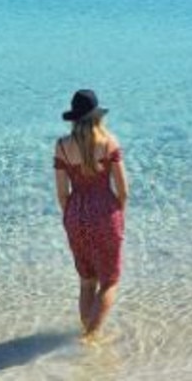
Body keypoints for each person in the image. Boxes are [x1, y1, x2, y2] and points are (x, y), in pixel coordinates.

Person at [53, 89, 128, 338]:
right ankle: (90, 337)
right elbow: (123, 190)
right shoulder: (109, 143)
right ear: (97, 117)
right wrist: (118, 215)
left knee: (87, 282)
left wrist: (71, 217)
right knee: (109, 281)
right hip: (105, 214)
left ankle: (87, 333)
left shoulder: (62, 147)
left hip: (75, 215)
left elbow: (62, 193)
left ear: (74, 118)